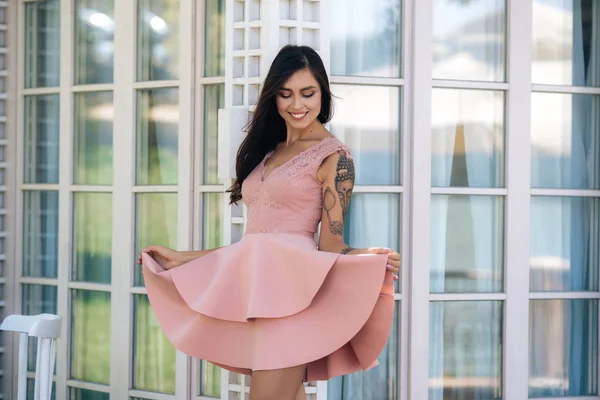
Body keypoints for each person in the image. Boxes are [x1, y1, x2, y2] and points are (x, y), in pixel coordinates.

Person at [138, 45, 400, 400]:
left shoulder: (335, 158)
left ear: (323, 93)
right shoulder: (268, 151)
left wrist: (368, 256)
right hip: (258, 298)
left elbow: (330, 246)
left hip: (294, 305)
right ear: (273, 97)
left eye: (308, 93)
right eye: (286, 94)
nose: (297, 104)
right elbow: (255, 244)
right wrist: (182, 259)